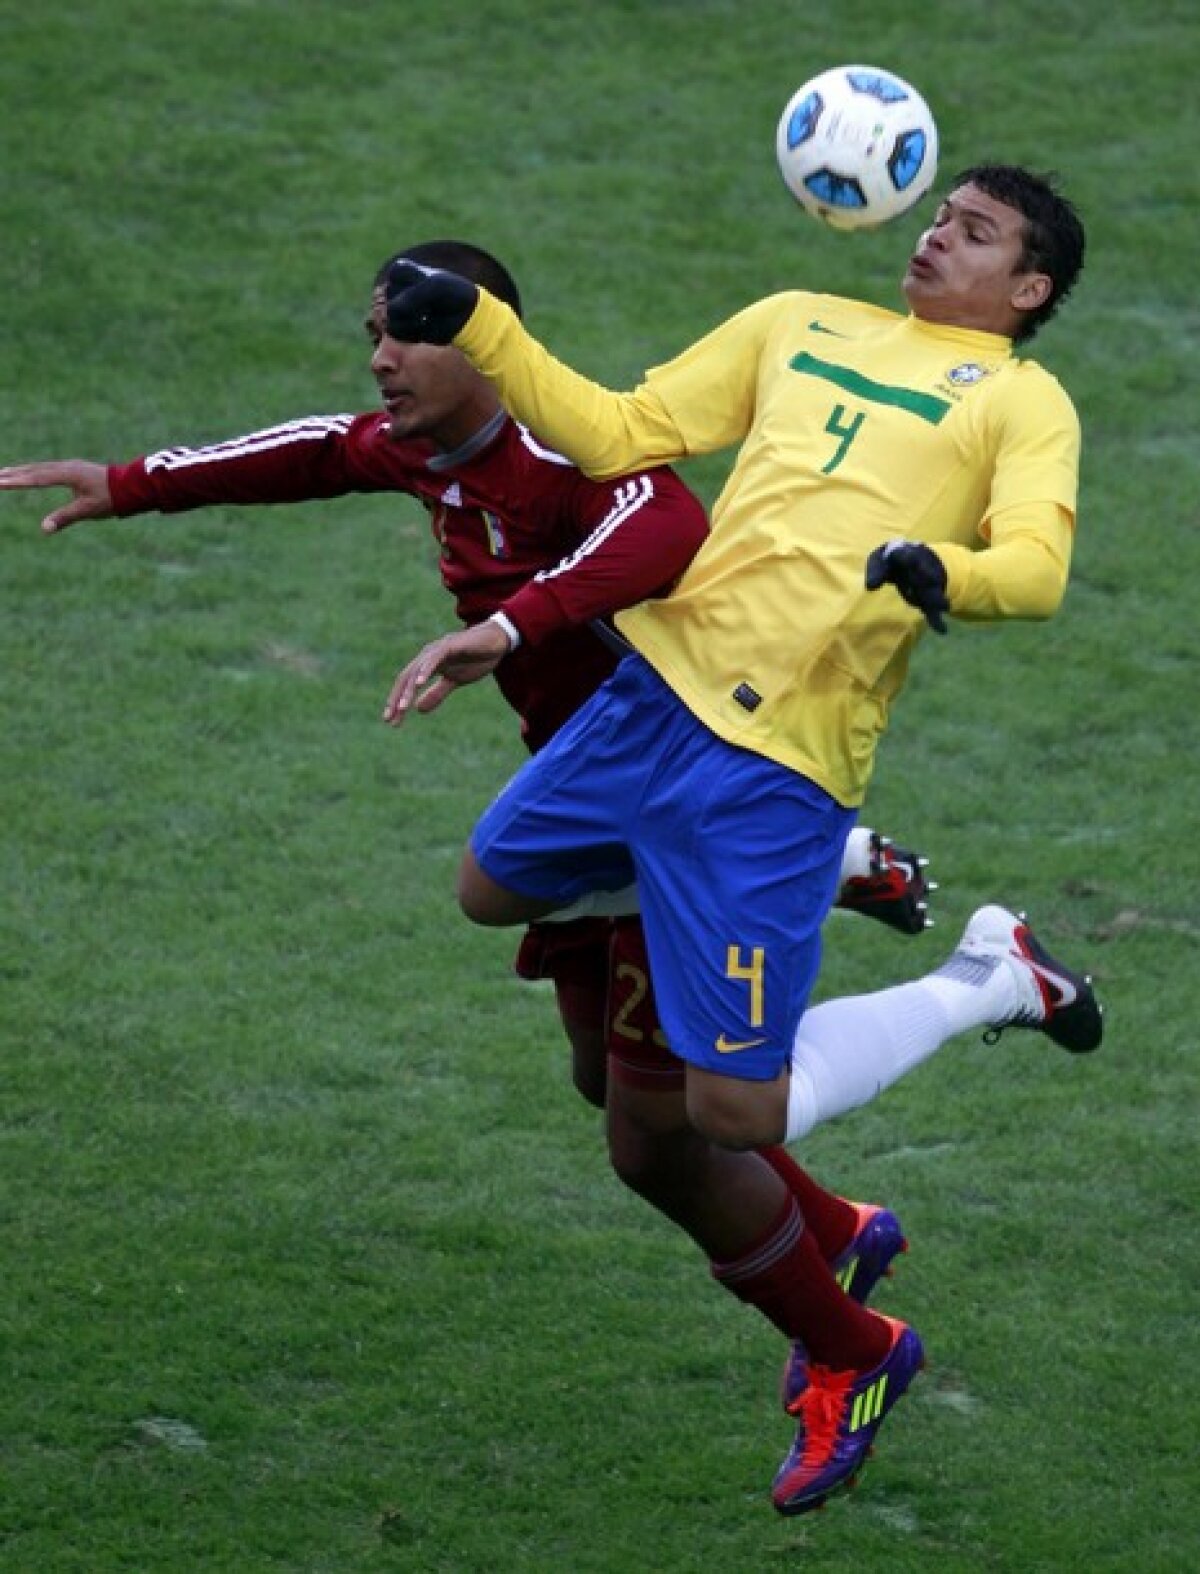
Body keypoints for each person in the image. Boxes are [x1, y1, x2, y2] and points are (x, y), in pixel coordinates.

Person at [0, 240, 965, 1515]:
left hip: (657, 808)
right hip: (579, 820)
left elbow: (672, 522)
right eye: (376, 332)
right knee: (604, 1082)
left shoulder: (568, 456)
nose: (382, 356)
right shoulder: (420, 447)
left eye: (410, 332)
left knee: (654, 1141)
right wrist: (131, 482)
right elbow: (310, 450)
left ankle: (860, 1348)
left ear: (489, 339)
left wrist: (515, 624)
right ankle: (840, 1224)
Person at [380, 168, 1103, 1512]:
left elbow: (1038, 568)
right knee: (489, 884)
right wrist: (479, 326)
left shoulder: (1018, 399)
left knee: (731, 1114)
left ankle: (986, 973)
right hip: (650, 701)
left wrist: (947, 572)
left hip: (778, 771)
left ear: (1030, 289)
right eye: (941, 214)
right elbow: (614, 430)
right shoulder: (796, 320)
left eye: (979, 231)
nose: (941, 233)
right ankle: (814, 908)